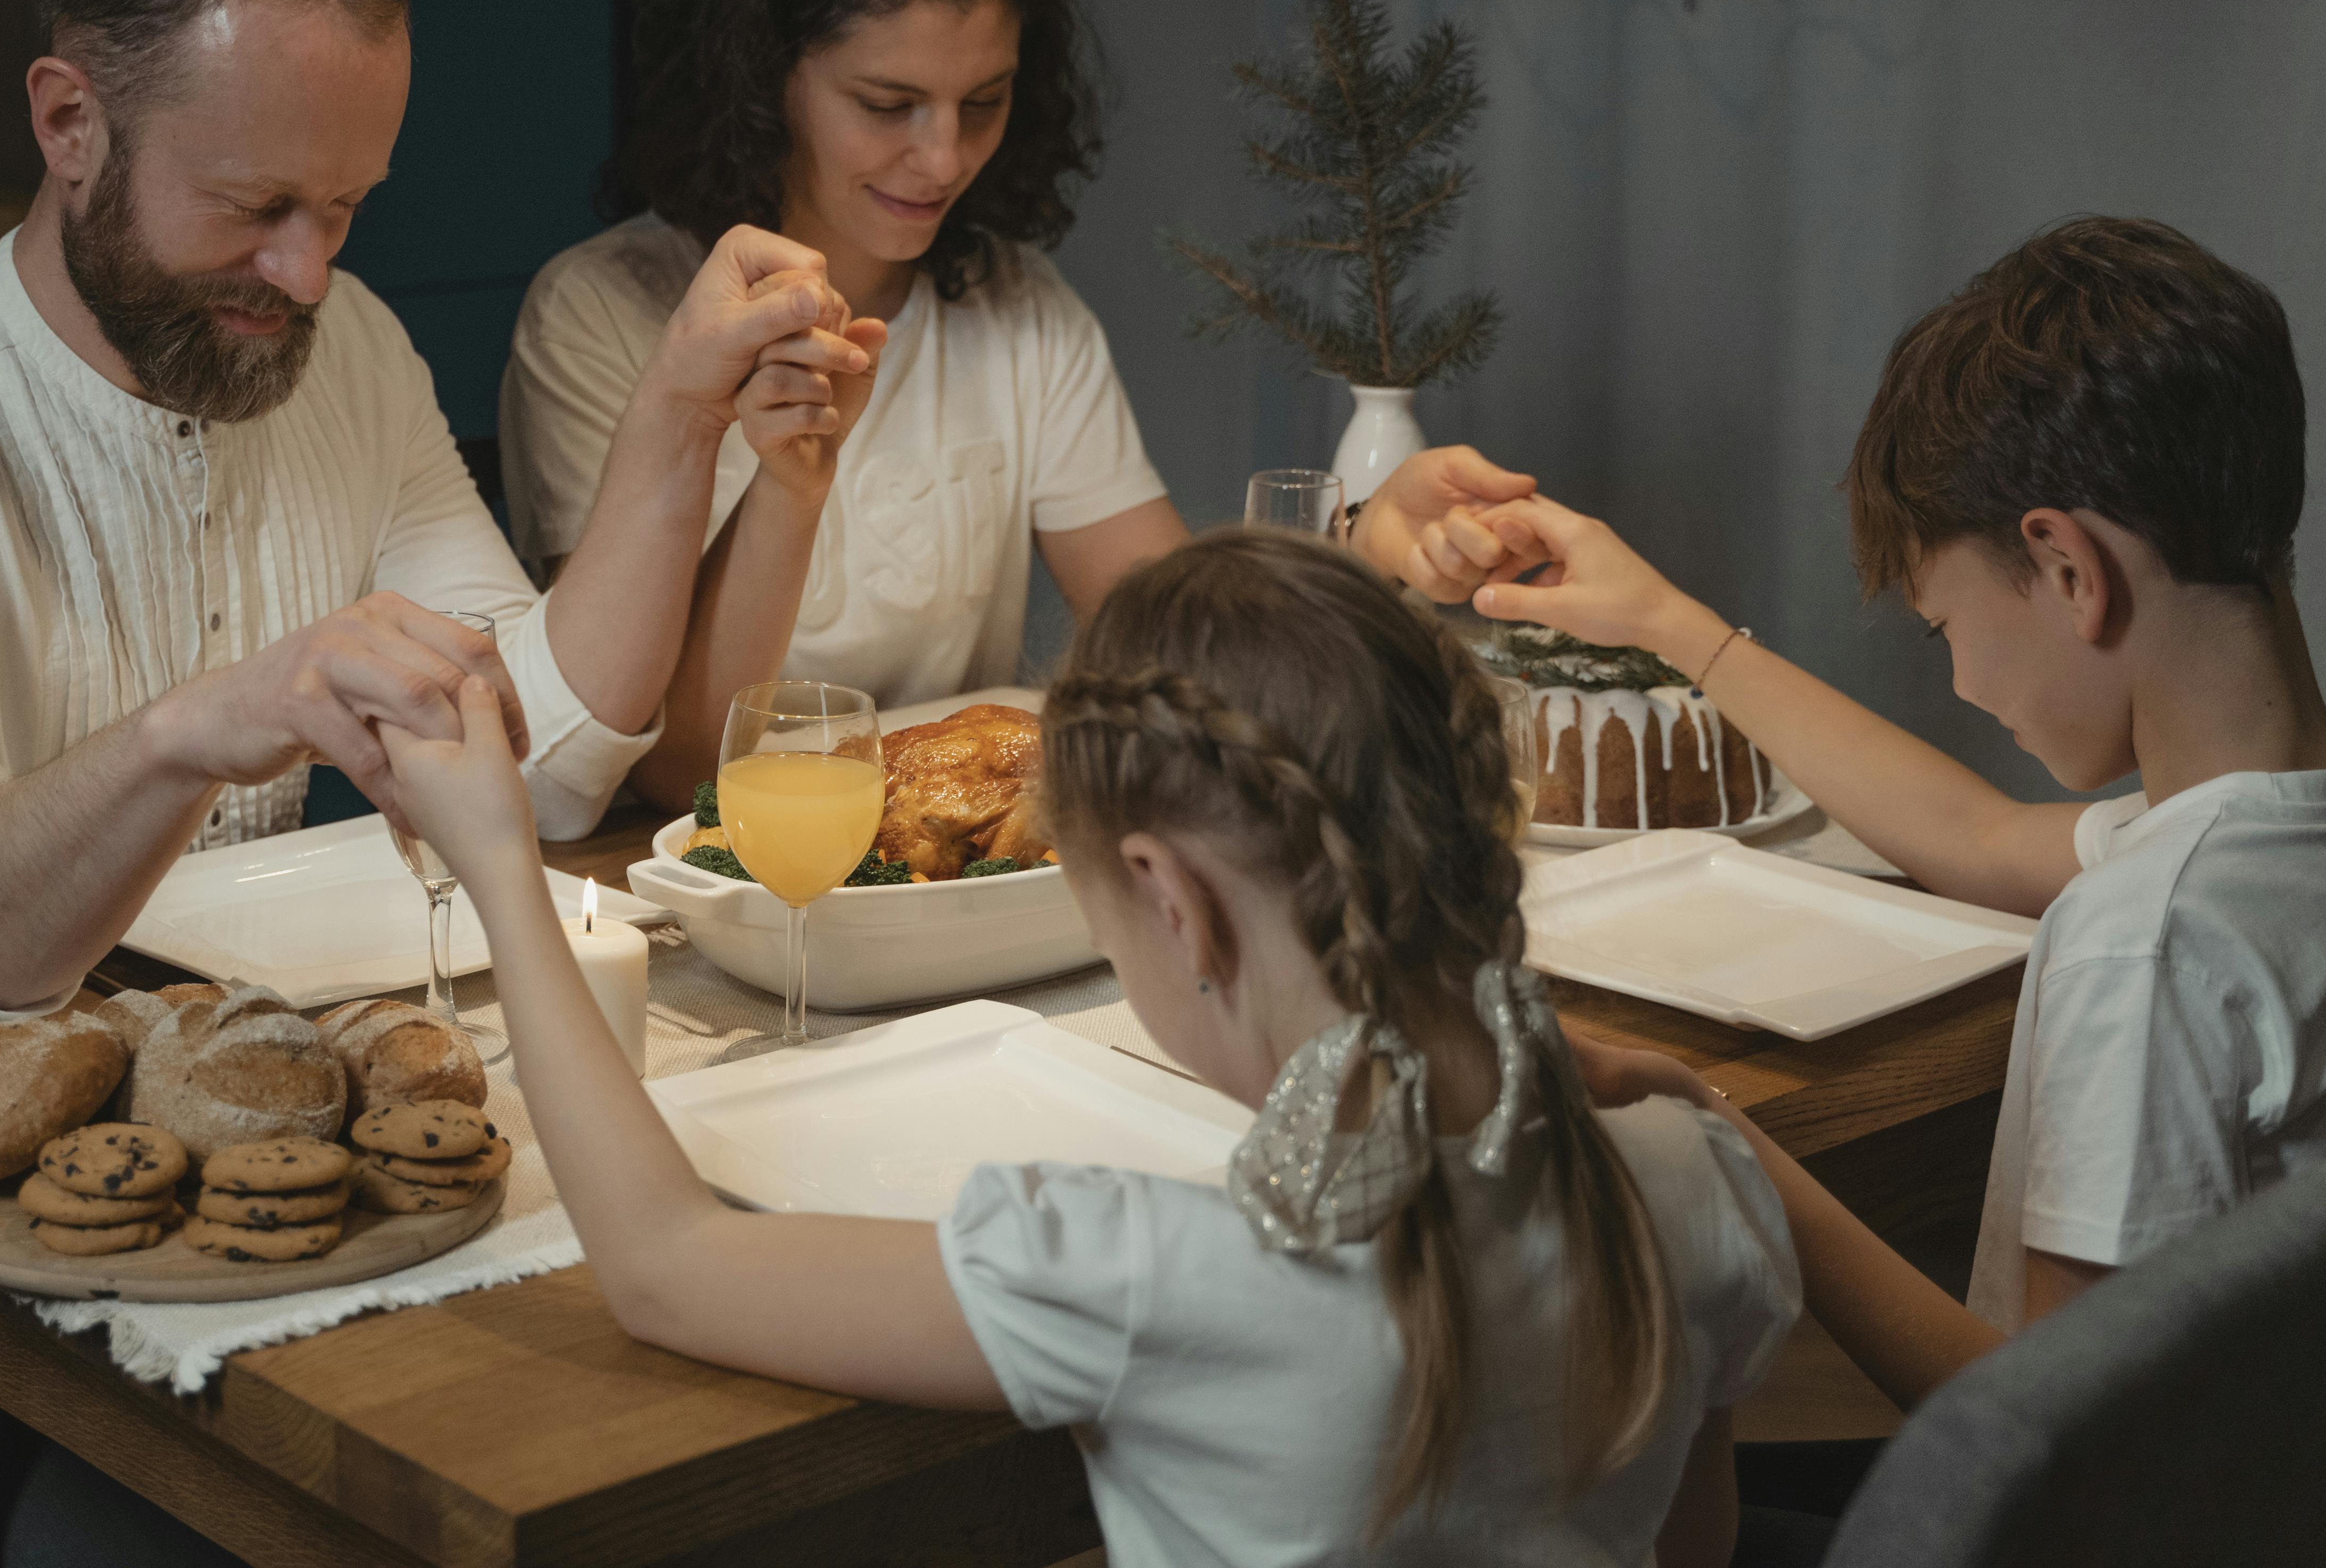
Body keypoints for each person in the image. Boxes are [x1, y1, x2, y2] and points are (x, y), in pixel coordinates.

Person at [0, 0, 859, 1547]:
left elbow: (552, 767)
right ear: (71, 125)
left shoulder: (343, 349)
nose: (307, 272)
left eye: (347, 205)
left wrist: (677, 419)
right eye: (254, 206)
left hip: (219, 1091)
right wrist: (194, 725)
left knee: (568, 1432)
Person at [378, 528, 1796, 1566]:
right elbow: (1694, 1544)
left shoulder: (1151, 1270)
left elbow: (665, 1267)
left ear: (1172, 900)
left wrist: (505, 868)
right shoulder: (1689, 1180)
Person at [500, 0, 1541, 805]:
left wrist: (1356, 546)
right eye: (886, 105)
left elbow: (1170, 636)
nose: (942, 157)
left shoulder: (1018, 304)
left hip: (955, 863)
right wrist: (787, 488)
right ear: (763, 76)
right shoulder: (602, 313)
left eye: (982, 103)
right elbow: (677, 773)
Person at [1476, 217, 2326, 1413]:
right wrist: (1671, 624)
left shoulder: (2148, 939)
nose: (1962, 684)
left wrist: (1728, 1146)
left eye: (1943, 631)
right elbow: (1972, 836)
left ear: (2068, 572)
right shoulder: (2245, 848)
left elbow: (2047, 1437)